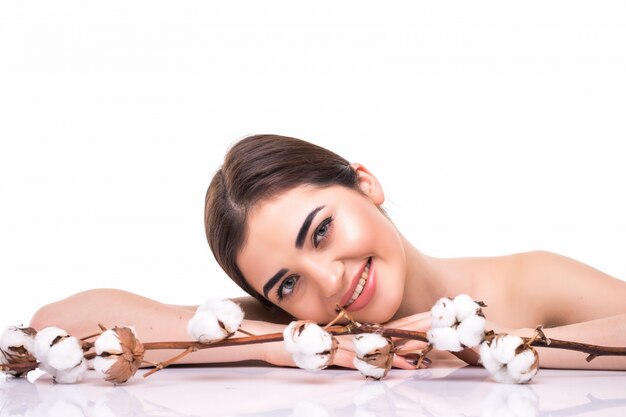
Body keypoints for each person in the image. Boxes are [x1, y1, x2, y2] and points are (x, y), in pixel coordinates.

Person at [30, 134, 626, 371]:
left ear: (365, 184)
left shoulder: (530, 279)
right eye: (286, 284)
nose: (327, 280)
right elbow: (55, 323)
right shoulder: (302, 329)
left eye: (320, 231)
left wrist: (496, 343)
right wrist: (272, 349)